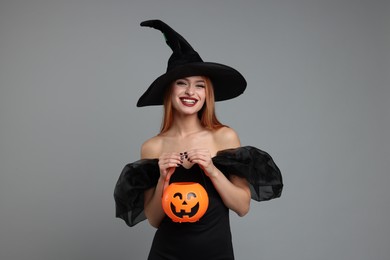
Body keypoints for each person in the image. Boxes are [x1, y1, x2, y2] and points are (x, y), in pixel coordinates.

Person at [114, 20, 283, 260]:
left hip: (215, 253)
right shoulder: (153, 146)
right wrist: (163, 178)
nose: (191, 92)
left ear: (207, 94)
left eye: (199, 86)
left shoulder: (224, 137)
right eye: (182, 84)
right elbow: (153, 219)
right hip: (166, 253)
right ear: (169, 91)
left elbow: (242, 207)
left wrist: (212, 170)